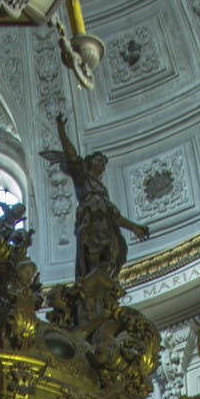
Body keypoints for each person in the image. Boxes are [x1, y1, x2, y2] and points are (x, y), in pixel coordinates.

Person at [43, 114, 149, 280]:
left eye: (104, 164)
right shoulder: (82, 177)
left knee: (118, 251)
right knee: (93, 253)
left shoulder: (101, 191)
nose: (102, 166)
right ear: (89, 162)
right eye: (99, 161)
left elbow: (114, 215)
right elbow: (71, 154)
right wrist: (61, 129)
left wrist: (134, 227)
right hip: (90, 221)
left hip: (105, 223)